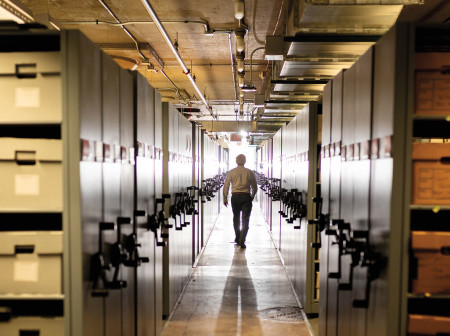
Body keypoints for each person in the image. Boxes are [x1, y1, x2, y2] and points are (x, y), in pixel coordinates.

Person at [223, 154, 257, 248]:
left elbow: (226, 186)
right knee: (245, 219)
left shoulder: (232, 172)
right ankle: (242, 239)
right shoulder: (249, 172)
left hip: (235, 197)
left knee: (236, 218)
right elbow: (254, 187)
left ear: (236, 161)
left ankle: (237, 237)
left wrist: (225, 198)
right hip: (246, 196)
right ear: (245, 161)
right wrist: (252, 197)